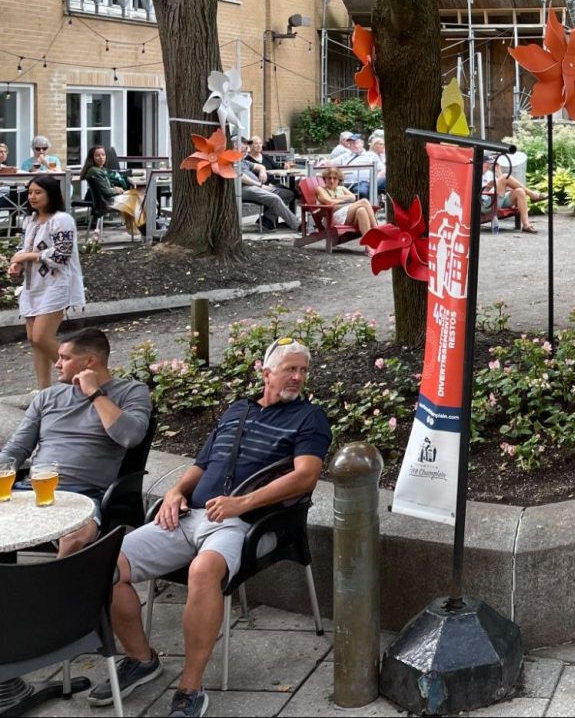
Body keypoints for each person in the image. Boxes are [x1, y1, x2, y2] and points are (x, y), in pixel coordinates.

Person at [94, 339, 331, 717]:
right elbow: (201, 464)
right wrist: (173, 493)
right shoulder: (237, 410)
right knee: (103, 564)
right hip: (189, 514)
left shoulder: (309, 418)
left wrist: (243, 503)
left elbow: (305, 478)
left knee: (203, 570)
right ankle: (142, 660)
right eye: (290, 369)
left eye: (303, 370)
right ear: (266, 372)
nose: (298, 377)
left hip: (244, 523)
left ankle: (190, 687)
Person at [0, 327, 151, 555]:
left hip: (86, 495)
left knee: (74, 536)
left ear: (90, 361)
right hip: (33, 490)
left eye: (65, 358)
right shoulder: (48, 397)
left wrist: (94, 393)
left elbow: (130, 436)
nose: (57, 364)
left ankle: (59, 589)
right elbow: (16, 449)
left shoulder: (131, 392)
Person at [7, 176, 86, 391]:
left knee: (43, 337)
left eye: (38, 192)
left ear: (50, 194)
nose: (32, 196)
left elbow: (61, 255)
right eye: (30, 192)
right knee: (34, 339)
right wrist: (18, 265)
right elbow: (26, 249)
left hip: (57, 284)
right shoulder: (30, 221)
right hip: (33, 286)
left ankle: (81, 378)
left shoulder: (62, 219)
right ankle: (44, 390)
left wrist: (26, 257)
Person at [82, 143, 143, 234]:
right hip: (107, 202)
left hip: (107, 199)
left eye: (103, 155)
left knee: (140, 196)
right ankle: (144, 229)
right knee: (140, 198)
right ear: (92, 158)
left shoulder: (99, 169)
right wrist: (118, 191)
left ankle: (140, 228)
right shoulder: (95, 171)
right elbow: (106, 192)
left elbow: (105, 187)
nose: (101, 157)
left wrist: (114, 187)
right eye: (97, 155)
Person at [239, 143, 300, 231]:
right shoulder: (232, 162)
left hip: (258, 187)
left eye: (246, 149)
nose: (246, 151)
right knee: (275, 198)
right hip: (245, 188)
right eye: (244, 149)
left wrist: (262, 171)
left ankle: (266, 220)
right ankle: (297, 225)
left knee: (288, 194)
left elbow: (260, 166)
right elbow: (241, 176)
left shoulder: (244, 162)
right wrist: (260, 185)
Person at [480, 157, 538, 234]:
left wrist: (498, 171)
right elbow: (475, 195)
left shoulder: (490, 174)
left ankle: (526, 225)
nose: (489, 165)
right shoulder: (474, 174)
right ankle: (532, 195)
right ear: (481, 163)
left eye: (491, 163)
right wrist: (487, 187)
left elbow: (503, 186)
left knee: (520, 191)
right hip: (485, 204)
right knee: (504, 177)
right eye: (487, 163)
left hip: (498, 199)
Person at [316, 167, 377, 235]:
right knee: (364, 201)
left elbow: (353, 197)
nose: (332, 181)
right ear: (325, 179)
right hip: (332, 216)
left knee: (361, 210)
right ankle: (377, 230)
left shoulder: (341, 188)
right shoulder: (321, 189)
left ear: (339, 180)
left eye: (335, 178)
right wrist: (346, 201)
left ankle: (368, 243)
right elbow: (330, 202)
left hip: (346, 214)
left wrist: (336, 197)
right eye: (329, 178)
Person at [245, 138, 298, 212]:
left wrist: (284, 167)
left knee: (295, 193)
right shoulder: (247, 161)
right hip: (262, 187)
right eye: (256, 143)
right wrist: (264, 184)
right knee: (291, 193)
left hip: (274, 184)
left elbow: (277, 167)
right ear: (250, 146)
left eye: (260, 143)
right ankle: (269, 220)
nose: (259, 145)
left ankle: (269, 220)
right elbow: (250, 176)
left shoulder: (266, 157)